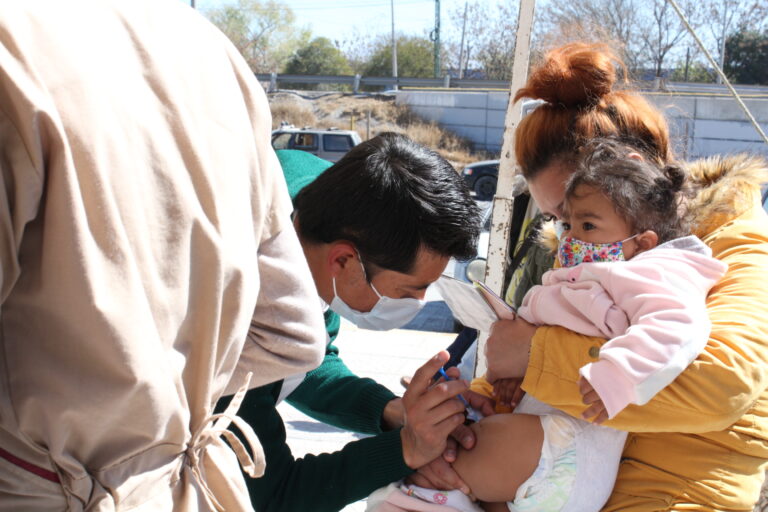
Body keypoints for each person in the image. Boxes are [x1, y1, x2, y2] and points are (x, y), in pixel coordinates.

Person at [0, 1, 328, 510]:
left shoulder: (14, 40)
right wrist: (161, 410)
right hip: (183, 489)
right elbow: (294, 333)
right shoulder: (213, 51)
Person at [367, 138, 727, 511]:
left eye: (588, 225)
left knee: (431, 466)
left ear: (642, 243)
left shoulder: (651, 272)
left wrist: (622, 372)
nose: (571, 238)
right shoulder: (578, 276)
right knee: (441, 451)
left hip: (567, 449)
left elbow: (677, 325)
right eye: (568, 223)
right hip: (543, 450)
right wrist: (511, 378)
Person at [481, 42, 768, 510]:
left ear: (627, 175)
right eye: (558, 219)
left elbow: (723, 383)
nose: (567, 231)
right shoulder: (588, 252)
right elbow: (536, 341)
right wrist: (472, 402)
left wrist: (534, 358)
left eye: (577, 214)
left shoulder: (732, 240)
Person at [219, 133, 483, 512]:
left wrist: (392, 411)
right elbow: (272, 493)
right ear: (343, 262)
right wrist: (406, 450)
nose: (420, 304)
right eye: (409, 289)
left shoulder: (322, 201)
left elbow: (304, 365)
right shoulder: (240, 313)